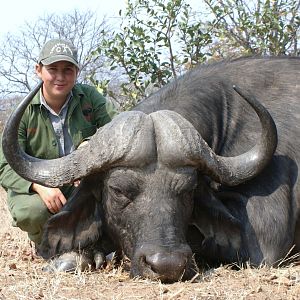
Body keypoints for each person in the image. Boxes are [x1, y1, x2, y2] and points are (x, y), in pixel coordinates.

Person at [0, 38, 118, 251]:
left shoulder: (90, 97)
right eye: (53, 69)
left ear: (77, 72)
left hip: (84, 187)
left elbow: (119, 130)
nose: (60, 77)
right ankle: (48, 246)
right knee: (32, 212)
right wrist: (40, 186)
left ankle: (92, 244)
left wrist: (90, 146)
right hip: (40, 189)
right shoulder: (24, 111)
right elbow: (5, 164)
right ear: (39, 70)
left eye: (68, 70)